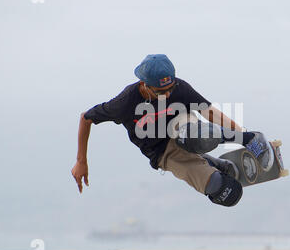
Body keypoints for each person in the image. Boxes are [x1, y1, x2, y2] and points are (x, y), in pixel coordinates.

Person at [71, 54, 273, 207]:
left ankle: (250, 138)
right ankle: (216, 166)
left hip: (183, 127)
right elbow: (86, 118)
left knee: (194, 133)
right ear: (144, 85)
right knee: (225, 193)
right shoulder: (125, 102)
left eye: (170, 89)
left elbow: (210, 113)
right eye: (161, 92)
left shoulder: (179, 88)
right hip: (161, 152)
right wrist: (81, 161)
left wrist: (243, 135)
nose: (168, 94)